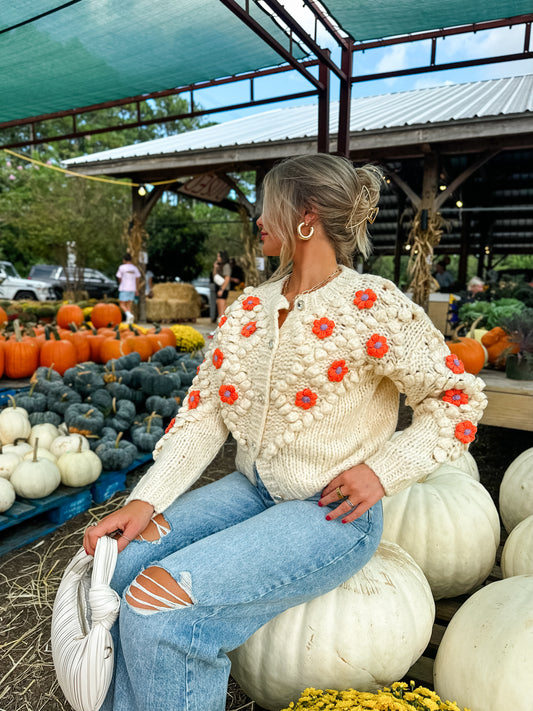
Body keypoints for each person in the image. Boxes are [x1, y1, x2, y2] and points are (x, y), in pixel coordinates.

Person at [84, 154, 487, 711]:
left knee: (163, 609)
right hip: (252, 492)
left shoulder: (375, 307)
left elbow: (456, 397)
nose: (257, 220)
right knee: (113, 567)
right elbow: (204, 415)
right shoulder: (247, 309)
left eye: (266, 205)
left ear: (307, 214)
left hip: (331, 512)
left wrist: (382, 470)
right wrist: (146, 501)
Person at [116, 253, 141, 324]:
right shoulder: (134, 268)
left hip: (124, 288)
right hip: (132, 288)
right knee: (128, 305)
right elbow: (138, 278)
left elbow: (119, 277)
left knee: (122, 304)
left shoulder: (121, 267)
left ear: (124, 260)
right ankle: (129, 321)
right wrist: (137, 289)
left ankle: (129, 315)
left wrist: (121, 282)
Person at [212, 250, 231, 319]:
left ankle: (221, 322)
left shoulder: (226, 266)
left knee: (221, 310)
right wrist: (215, 267)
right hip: (219, 287)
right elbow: (214, 276)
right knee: (219, 307)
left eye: (219, 256)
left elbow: (227, 279)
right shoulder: (220, 266)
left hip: (223, 289)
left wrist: (222, 290)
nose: (217, 258)